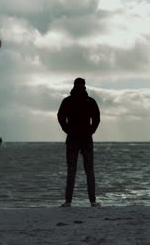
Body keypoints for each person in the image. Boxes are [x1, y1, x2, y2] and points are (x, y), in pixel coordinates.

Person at [57, 77, 100, 207]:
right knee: (88, 171)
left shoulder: (69, 101)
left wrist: (68, 130)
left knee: (73, 171)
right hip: (83, 138)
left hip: (75, 138)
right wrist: (90, 131)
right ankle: (91, 201)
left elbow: (60, 117)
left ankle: (69, 201)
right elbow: (97, 119)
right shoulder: (89, 101)